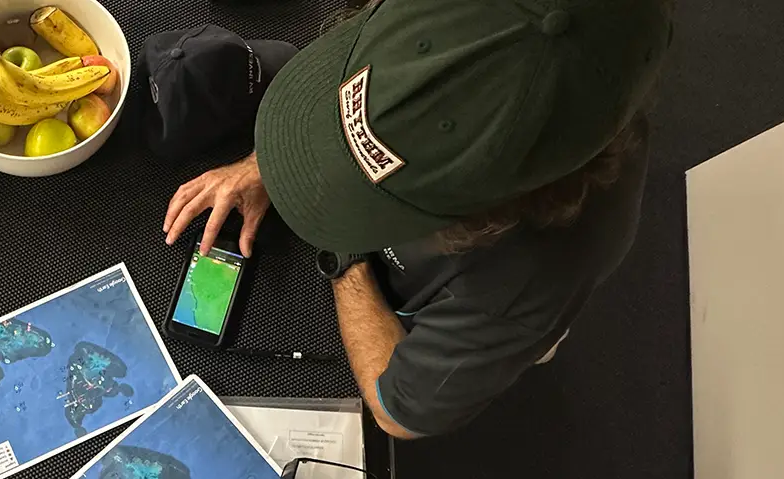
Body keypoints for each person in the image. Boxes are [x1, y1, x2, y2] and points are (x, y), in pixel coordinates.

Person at [161, 0, 672, 438]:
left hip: (504, 299)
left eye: (379, 204)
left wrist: (347, 258)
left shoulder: (519, 283)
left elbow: (399, 412)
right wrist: (273, 161)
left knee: (525, 347)